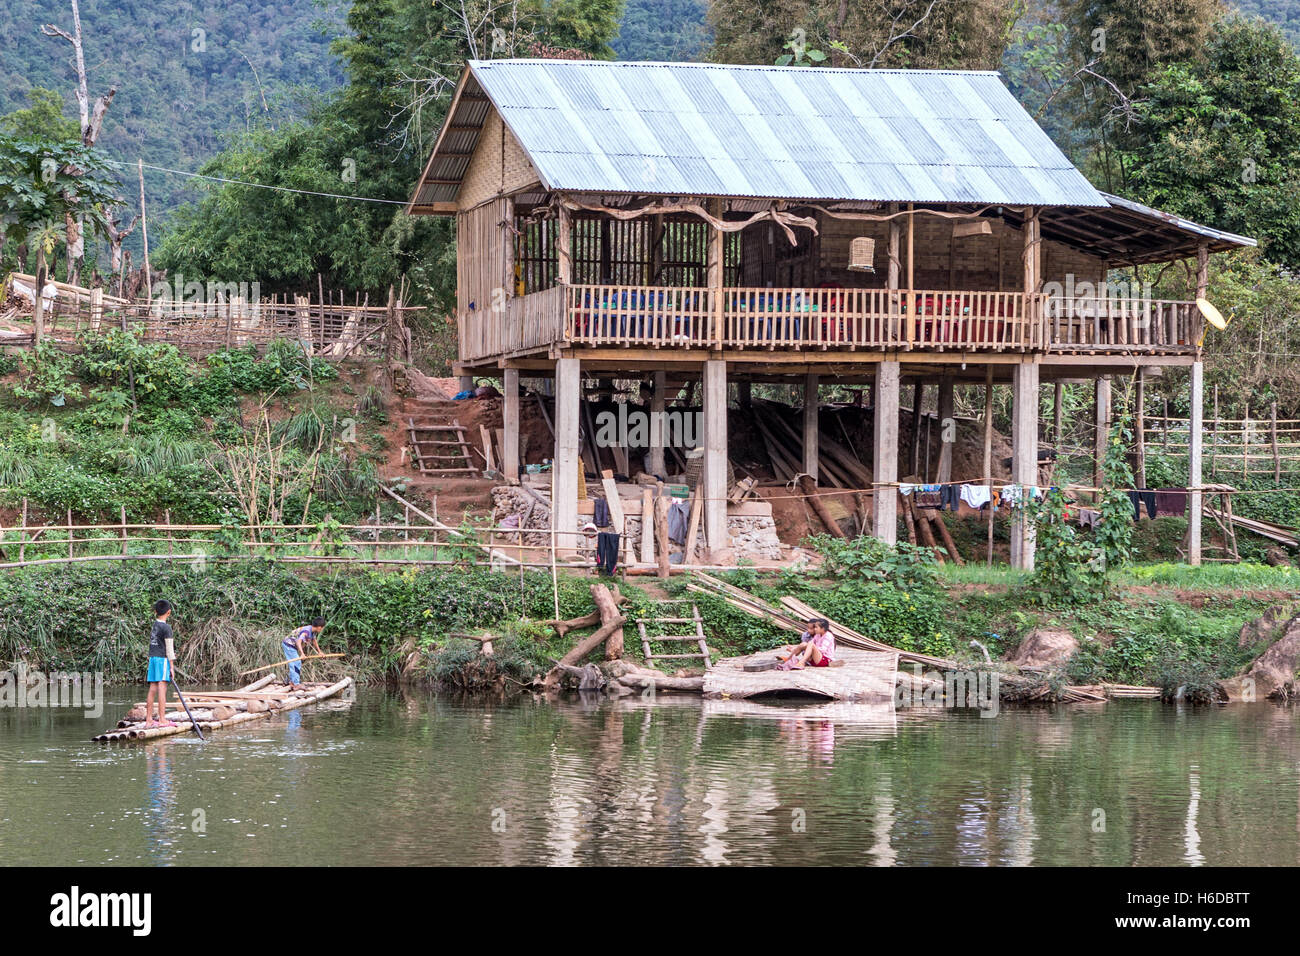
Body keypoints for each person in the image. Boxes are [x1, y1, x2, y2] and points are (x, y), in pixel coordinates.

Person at [145, 600, 177, 728]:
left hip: (152, 659)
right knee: (162, 688)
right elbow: (169, 649)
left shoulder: (155, 625)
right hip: (162, 660)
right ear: (169, 612)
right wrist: (172, 667)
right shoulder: (166, 628)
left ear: (155, 612)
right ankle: (162, 719)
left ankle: (148, 719)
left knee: (153, 688)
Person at [283, 616, 326, 690]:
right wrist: (302, 653)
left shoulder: (313, 631)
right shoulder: (306, 631)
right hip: (289, 644)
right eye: (322, 628)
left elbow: (314, 641)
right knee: (297, 662)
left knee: (295, 663)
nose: (322, 630)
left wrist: (319, 652)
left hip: (292, 646)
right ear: (319, 627)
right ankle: (296, 684)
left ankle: (289, 680)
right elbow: (299, 641)